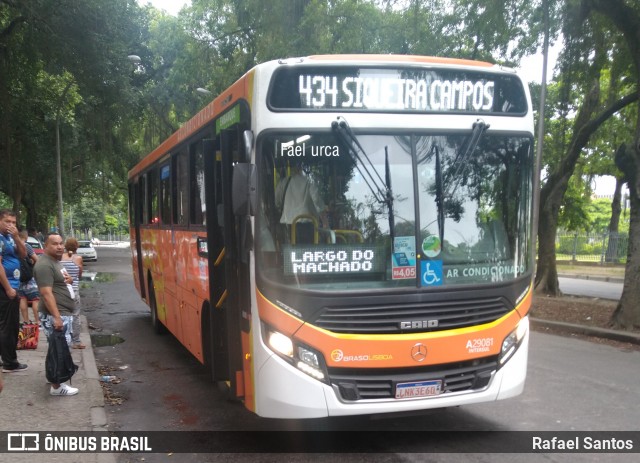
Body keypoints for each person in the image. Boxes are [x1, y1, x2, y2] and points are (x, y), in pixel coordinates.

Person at [33, 233, 78, 396]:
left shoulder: (55, 262)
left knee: (56, 348)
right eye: (54, 244)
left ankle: (54, 376)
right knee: (59, 349)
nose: (59, 247)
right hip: (56, 314)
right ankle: (57, 386)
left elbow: (60, 283)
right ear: (46, 245)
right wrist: (57, 317)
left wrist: (70, 282)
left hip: (62, 312)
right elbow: (46, 293)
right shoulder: (44, 265)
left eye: (61, 243)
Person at [0, 209, 28, 373]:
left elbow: (23, 254)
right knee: (9, 327)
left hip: (12, 286)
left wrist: (17, 236)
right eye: (7, 222)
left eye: (13, 222)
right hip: (5, 288)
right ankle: (10, 363)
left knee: (7, 324)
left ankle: (5, 357)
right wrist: (8, 288)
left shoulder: (9, 238)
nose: (11, 225)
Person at [275, 163, 328, 243]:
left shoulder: (284, 182)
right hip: (307, 225)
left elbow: (277, 202)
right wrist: (325, 221)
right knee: (305, 251)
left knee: (290, 251)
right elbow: (316, 200)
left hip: (288, 225)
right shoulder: (309, 182)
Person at [61, 237, 84, 349]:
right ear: (77, 246)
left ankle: (64, 339)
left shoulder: (60, 258)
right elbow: (79, 275)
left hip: (61, 290)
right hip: (73, 290)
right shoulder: (78, 258)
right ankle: (76, 341)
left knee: (63, 314)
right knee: (75, 315)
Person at [17, 230, 40, 325]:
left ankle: (26, 321)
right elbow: (37, 260)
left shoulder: (13, 246)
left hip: (18, 277)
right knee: (36, 299)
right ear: (25, 236)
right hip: (30, 278)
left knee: (22, 298)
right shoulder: (26, 246)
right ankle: (37, 321)